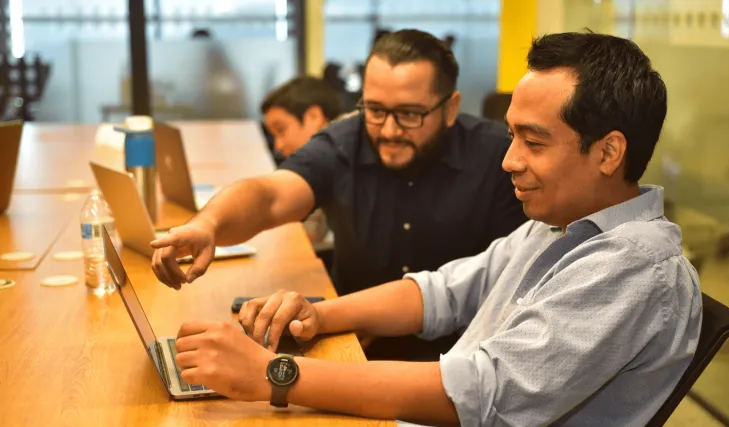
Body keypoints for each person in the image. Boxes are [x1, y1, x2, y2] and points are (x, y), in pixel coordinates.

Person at [169, 31, 702, 426]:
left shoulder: (634, 268)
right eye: (512, 136)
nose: (509, 160)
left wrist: (273, 375)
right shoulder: (561, 224)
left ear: (609, 152)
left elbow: (482, 393)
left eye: (533, 143)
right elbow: (444, 292)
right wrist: (319, 315)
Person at [151, 29, 527, 360]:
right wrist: (209, 224)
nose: (389, 130)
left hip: (462, 357)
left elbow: (512, 285)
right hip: (350, 341)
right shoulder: (346, 142)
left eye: (410, 114)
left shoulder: (500, 159)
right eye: (376, 110)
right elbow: (270, 195)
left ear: (450, 109)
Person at [260, 76, 343, 246]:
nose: (278, 146)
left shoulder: (339, 153)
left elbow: (308, 236)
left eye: (281, 130)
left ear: (313, 117)